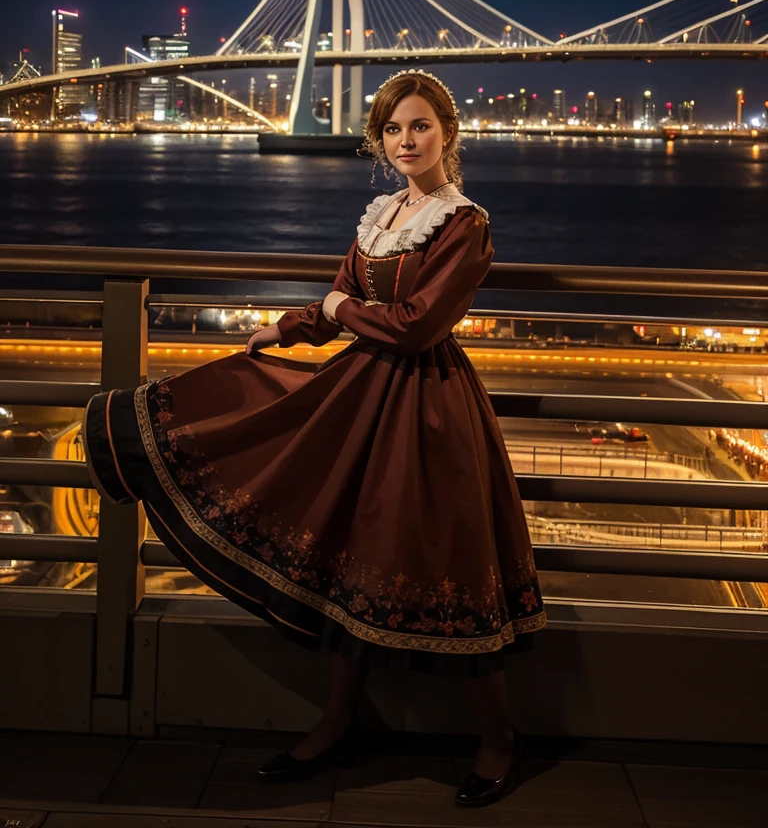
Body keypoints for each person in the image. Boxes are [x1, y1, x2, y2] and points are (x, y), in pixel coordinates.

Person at [83, 68, 546, 808]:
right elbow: (343, 301)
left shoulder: (465, 224)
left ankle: (497, 738)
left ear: (448, 134)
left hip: (427, 405)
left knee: (450, 561)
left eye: (420, 126)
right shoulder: (384, 213)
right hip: (360, 396)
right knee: (345, 553)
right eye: (393, 129)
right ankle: (338, 720)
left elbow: (418, 324)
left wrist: (338, 304)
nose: (405, 140)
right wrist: (287, 328)